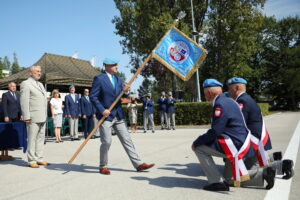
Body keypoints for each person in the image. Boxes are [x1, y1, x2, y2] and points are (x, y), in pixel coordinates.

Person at [192, 79, 276, 191]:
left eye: (204, 93)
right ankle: (264, 174)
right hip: (242, 142)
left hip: (235, 145)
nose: (204, 96)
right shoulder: (230, 101)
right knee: (230, 178)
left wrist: (197, 141)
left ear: (209, 93)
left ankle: (216, 182)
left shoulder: (219, 104)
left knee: (199, 148)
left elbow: (216, 131)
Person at [90, 57, 154, 175]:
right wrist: (102, 110)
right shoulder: (99, 79)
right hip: (106, 117)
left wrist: (126, 91)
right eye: (115, 65)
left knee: (127, 140)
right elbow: (93, 97)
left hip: (118, 115)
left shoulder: (118, 79)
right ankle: (103, 166)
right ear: (107, 66)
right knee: (107, 141)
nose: (117, 67)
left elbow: (121, 94)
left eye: (117, 65)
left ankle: (138, 164)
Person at [227, 77, 294, 179]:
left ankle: (282, 166)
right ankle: (281, 164)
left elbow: (238, 124)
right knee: (249, 165)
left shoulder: (242, 101)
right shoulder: (247, 98)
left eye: (229, 88)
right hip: (256, 140)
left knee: (238, 172)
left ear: (236, 88)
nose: (228, 91)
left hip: (252, 142)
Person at [20, 65, 49, 168]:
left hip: (42, 116)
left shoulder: (40, 84)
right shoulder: (26, 84)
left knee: (41, 138)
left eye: (40, 71)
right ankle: (31, 160)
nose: (39, 73)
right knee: (32, 138)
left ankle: (39, 158)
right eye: (37, 71)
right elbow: (24, 101)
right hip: (32, 116)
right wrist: (26, 116)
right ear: (30, 73)